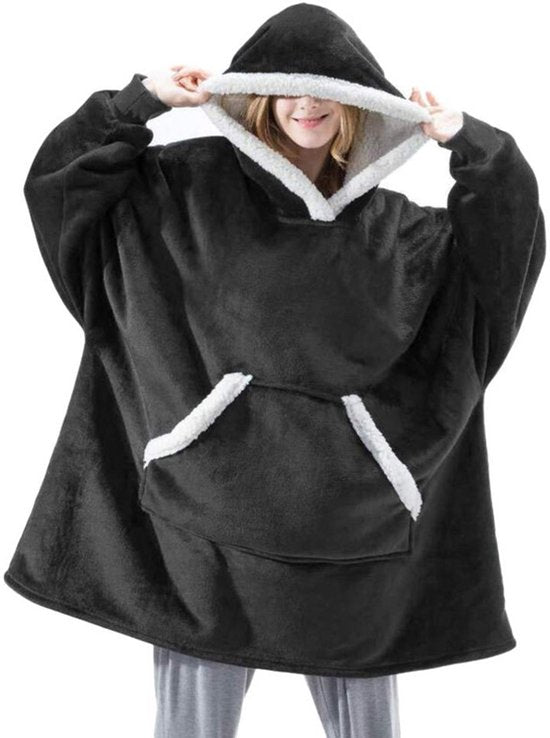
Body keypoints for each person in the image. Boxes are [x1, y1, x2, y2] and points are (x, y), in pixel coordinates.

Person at [4, 4, 545, 738]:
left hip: (353, 533)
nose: (306, 103)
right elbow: (61, 189)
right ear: (257, 96)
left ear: (358, 106)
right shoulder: (179, 192)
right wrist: (137, 103)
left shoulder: (404, 237)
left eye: (326, 90)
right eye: (287, 86)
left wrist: (476, 147)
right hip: (203, 524)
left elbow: (503, 261)